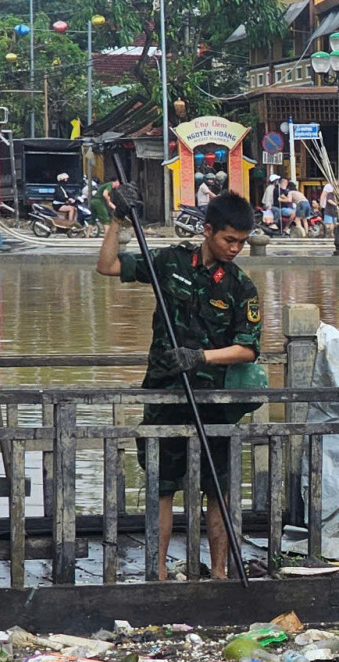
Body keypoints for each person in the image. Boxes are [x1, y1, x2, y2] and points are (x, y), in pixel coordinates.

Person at [95, 186, 262, 581]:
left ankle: (219, 573)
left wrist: (201, 357)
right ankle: (158, 573)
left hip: (214, 401)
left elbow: (247, 349)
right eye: (228, 240)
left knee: (217, 491)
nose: (235, 248)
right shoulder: (171, 263)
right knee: (162, 486)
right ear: (208, 231)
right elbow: (107, 266)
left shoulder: (240, 286)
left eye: (241, 242)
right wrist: (117, 220)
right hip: (165, 393)